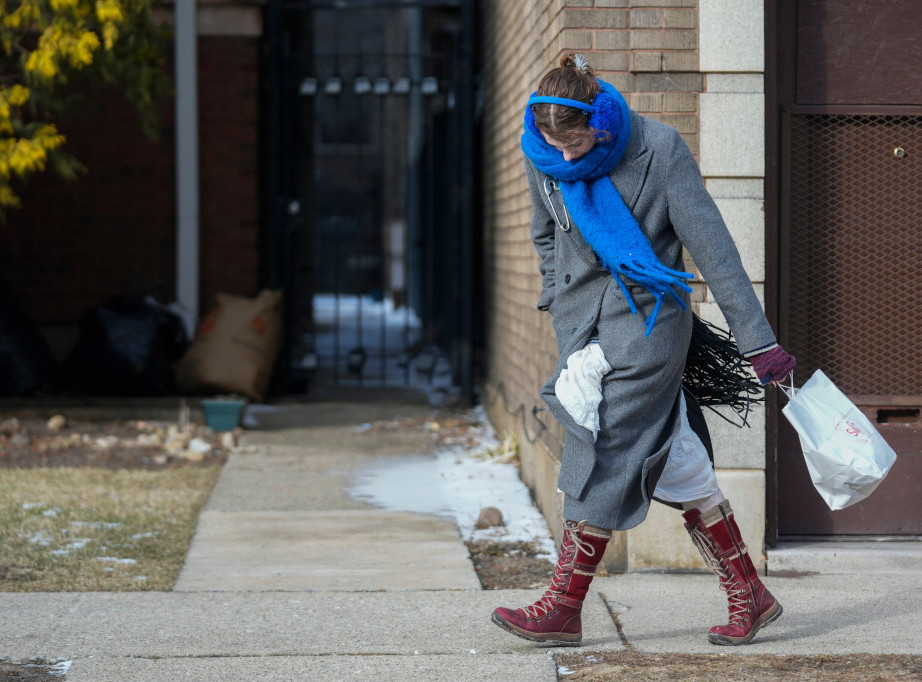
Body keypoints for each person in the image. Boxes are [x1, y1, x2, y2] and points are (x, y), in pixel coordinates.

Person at [490, 54, 796, 648]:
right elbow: (545, 232)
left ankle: (564, 606)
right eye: (559, 148)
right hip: (583, 329)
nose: (569, 160)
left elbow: (715, 250)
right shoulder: (542, 151)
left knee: (601, 445)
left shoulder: (659, 149)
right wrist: (556, 299)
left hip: (649, 327)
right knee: (676, 454)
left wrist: (760, 343)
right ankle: (750, 594)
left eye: (578, 145)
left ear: (600, 123)